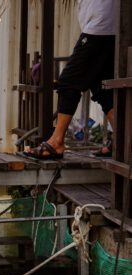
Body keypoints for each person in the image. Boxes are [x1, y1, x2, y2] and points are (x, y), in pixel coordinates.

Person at [25, 0, 117, 160]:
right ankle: (125, 139)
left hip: (100, 26)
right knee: (102, 88)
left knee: (68, 82)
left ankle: (57, 141)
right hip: (108, 25)